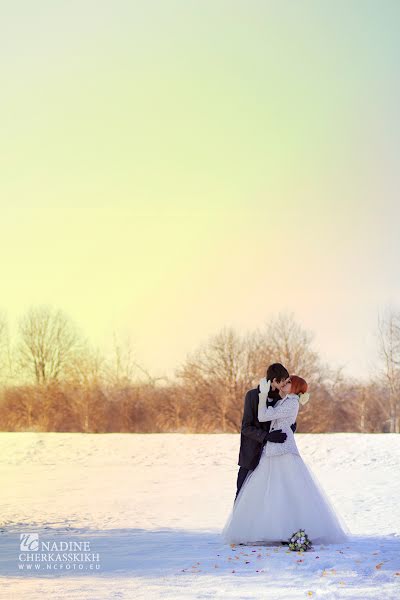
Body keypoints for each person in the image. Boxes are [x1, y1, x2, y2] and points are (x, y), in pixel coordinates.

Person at [222, 375, 350, 545]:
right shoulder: (286, 401)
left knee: (288, 487)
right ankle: (270, 529)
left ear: (295, 387)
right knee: (272, 488)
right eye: (285, 381)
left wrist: (262, 396)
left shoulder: (291, 403)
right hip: (273, 447)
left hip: (283, 446)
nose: (285, 383)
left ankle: (291, 530)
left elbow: (263, 416)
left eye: (289, 382)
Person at [235, 363, 296, 502]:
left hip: (271, 458)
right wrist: (267, 436)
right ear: (274, 380)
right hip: (250, 456)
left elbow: (288, 423)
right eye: (283, 381)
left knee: (269, 499)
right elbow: (246, 427)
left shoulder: (280, 399)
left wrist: (287, 429)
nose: (285, 384)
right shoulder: (252, 396)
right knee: (242, 496)